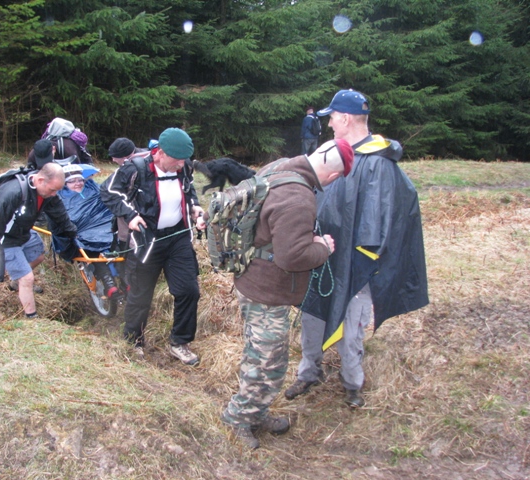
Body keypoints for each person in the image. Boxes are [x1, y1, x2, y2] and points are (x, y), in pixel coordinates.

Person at [284, 89, 429, 408]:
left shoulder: (377, 162)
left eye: (333, 117)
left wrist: (362, 261)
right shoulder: (332, 151)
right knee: (312, 318)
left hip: (355, 264)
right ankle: (309, 372)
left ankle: (352, 383)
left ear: (346, 118)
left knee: (351, 330)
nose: (331, 123)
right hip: (320, 258)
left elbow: (381, 217)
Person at [220, 138, 354, 449]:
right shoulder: (298, 198)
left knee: (260, 355)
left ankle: (256, 412)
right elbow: (292, 257)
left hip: (252, 280)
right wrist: (322, 248)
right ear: (333, 176)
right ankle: (238, 419)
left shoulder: (279, 166)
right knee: (268, 363)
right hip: (268, 292)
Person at [100, 128, 205, 365]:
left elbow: (189, 191)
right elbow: (108, 191)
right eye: (176, 160)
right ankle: (133, 341)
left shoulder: (184, 167)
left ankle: (180, 342)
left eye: (183, 160)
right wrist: (129, 215)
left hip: (178, 238)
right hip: (147, 241)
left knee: (189, 290)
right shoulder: (134, 169)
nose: (181, 165)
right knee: (140, 294)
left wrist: (195, 208)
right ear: (160, 153)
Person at [0, 148, 77, 318]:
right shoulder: (11, 193)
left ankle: (16, 282)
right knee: (27, 278)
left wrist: (71, 232)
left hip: (23, 231)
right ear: (40, 180)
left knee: (38, 256)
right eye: (53, 190)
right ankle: (32, 318)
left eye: (57, 191)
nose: (54, 195)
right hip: (6, 237)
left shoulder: (47, 193)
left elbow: (59, 213)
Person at [57, 164, 123, 303]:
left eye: (80, 180)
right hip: (82, 231)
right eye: (73, 181)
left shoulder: (92, 188)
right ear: (65, 183)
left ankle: (124, 280)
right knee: (89, 248)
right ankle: (109, 283)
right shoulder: (61, 196)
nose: (78, 183)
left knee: (118, 243)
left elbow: (105, 203)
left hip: (105, 225)